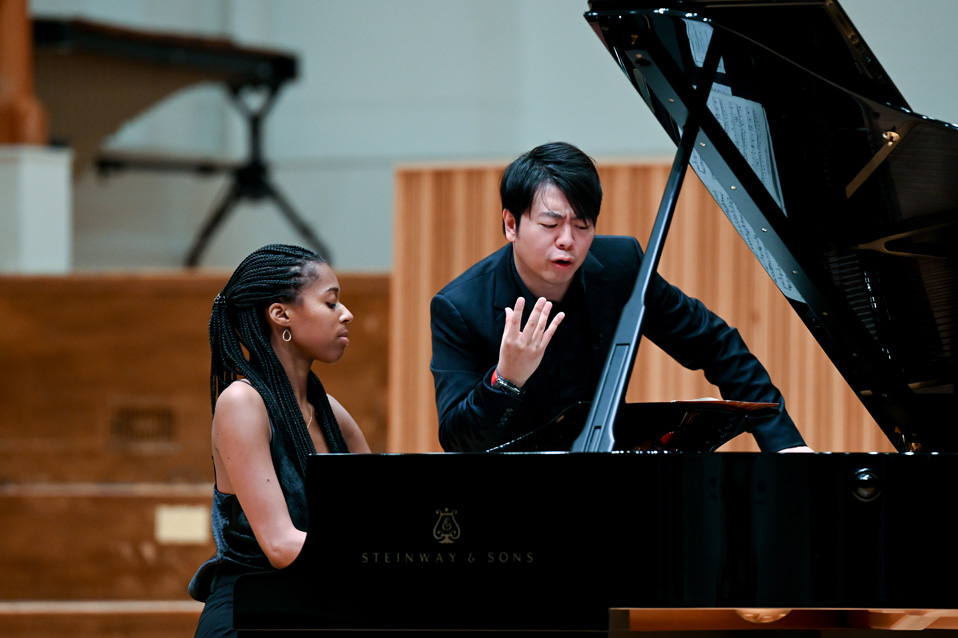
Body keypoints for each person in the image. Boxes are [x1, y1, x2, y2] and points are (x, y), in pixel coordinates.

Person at [430, 141, 811, 453]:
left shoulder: (619, 268)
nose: (567, 240)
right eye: (550, 224)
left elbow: (716, 344)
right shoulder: (460, 307)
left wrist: (784, 444)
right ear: (511, 224)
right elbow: (458, 440)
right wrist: (506, 380)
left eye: (582, 225)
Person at [189, 244, 370, 638]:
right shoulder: (242, 402)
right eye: (330, 302)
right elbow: (281, 545)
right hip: (252, 612)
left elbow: (377, 515)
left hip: (317, 603)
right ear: (280, 314)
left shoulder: (331, 413)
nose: (346, 314)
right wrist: (379, 559)